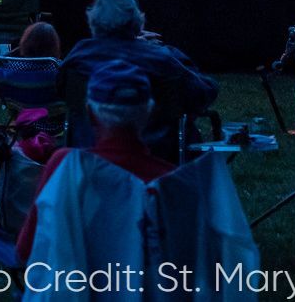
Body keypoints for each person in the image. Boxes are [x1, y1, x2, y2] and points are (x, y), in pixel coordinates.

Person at [15, 61, 175, 261]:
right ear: (150, 114)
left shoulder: (66, 166)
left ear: (90, 114)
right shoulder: (172, 183)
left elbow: (27, 250)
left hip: (75, 288)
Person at [60, 0, 216, 159]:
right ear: (136, 20)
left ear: (93, 21)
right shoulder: (163, 58)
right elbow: (203, 93)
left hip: (89, 152)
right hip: (158, 155)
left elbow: (60, 89)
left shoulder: (78, 56)